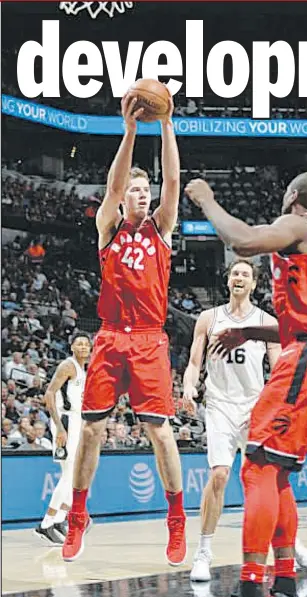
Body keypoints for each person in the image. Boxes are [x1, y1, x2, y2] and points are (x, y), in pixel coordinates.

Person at [185, 172, 307, 597]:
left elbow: (243, 241)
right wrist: (249, 330)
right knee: (274, 474)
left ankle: (252, 593)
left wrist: (208, 201)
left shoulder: (299, 224)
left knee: (256, 466)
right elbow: (300, 321)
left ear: (292, 196)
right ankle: (285, 590)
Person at [62, 91, 186, 566]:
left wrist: (168, 124)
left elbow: (173, 179)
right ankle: (77, 516)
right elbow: (112, 188)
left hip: (151, 339)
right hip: (112, 336)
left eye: (144, 189)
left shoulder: (162, 228)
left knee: (161, 434)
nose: (140, 193)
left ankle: (175, 519)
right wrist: (132, 131)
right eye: (134, 189)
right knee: (90, 430)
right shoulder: (109, 228)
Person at [183, 258, 307, 584]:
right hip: (219, 406)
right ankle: (204, 552)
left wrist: (280, 407)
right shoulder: (208, 318)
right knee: (219, 475)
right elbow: (193, 362)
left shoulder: (265, 323)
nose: (239, 277)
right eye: (235, 273)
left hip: (255, 408)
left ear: (254, 284)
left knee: (270, 482)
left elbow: (278, 371)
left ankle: (290, 544)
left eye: (245, 274)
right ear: (228, 281)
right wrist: (189, 386)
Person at [34, 333, 91, 545]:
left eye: (86, 344)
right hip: (65, 422)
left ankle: (59, 519)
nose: (83, 346)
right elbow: (49, 394)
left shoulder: (82, 369)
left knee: (74, 476)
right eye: (79, 343)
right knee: (69, 476)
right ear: (72, 346)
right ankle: (46, 524)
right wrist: (59, 427)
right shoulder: (67, 366)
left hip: (77, 421)